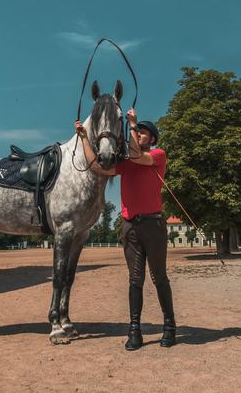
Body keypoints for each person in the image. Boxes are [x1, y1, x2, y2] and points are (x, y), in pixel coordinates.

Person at [74, 108, 176, 350]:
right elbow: (95, 166)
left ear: (152, 139)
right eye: (137, 131)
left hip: (153, 224)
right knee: (135, 279)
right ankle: (134, 331)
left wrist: (131, 124)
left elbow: (134, 153)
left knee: (159, 276)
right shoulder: (127, 164)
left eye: (143, 133)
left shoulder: (157, 155)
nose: (138, 135)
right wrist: (84, 138)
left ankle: (170, 327)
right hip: (130, 226)